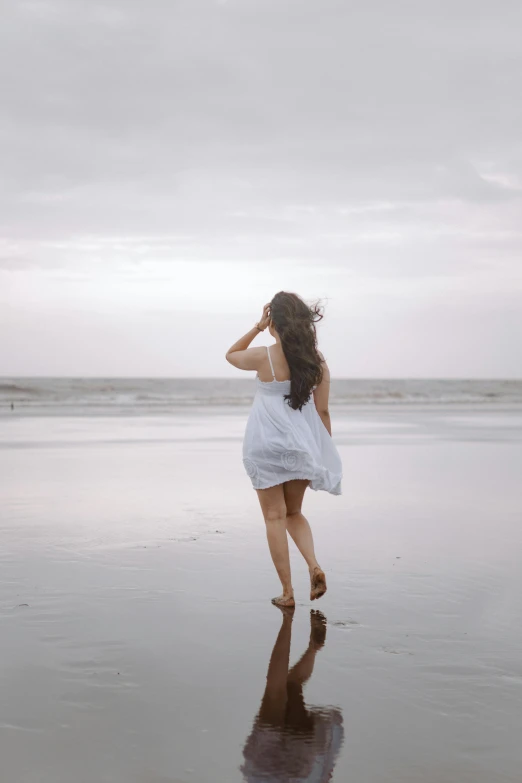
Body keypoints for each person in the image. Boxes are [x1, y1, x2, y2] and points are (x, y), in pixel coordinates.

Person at [225, 291, 343, 607]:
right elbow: (323, 412)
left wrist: (258, 327)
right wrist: (322, 450)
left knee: (274, 518)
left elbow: (232, 354)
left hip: (264, 444)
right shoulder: (317, 364)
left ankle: (288, 593)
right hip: (300, 446)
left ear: (275, 321)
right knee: (294, 513)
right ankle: (314, 565)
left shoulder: (263, 356)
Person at [241, 608, 344, 782]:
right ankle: (287, 620)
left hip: (304, 767)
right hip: (269, 770)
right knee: (275, 692)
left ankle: (314, 647)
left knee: (292, 685)